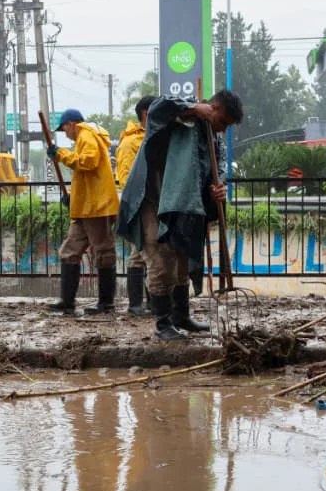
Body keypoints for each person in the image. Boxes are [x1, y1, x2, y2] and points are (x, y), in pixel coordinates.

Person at [116, 91, 243, 341]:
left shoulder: (213, 140)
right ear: (213, 108)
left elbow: (219, 167)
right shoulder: (178, 115)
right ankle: (163, 324)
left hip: (181, 205)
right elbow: (156, 109)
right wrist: (195, 108)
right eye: (223, 122)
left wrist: (219, 185)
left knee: (182, 258)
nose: (222, 129)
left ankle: (181, 316)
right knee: (160, 260)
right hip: (150, 199)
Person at [46, 108, 119, 314]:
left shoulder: (87, 136)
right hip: (86, 207)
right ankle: (67, 301)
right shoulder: (83, 139)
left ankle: (106, 303)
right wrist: (72, 197)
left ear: (72, 124)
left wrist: (61, 154)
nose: (65, 133)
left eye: (64, 129)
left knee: (103, 252)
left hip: (96, 207)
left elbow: (88, 162)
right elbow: (84, 176)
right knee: (69, 251)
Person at [115, 96, 154, 316]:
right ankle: (136, 305)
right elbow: (125, 178)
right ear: (147, 114)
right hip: (139, 205)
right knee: (138, 252)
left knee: (151, 255)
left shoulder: (155, 136)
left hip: (155, 204)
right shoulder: (130, 143)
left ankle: (151, 303)